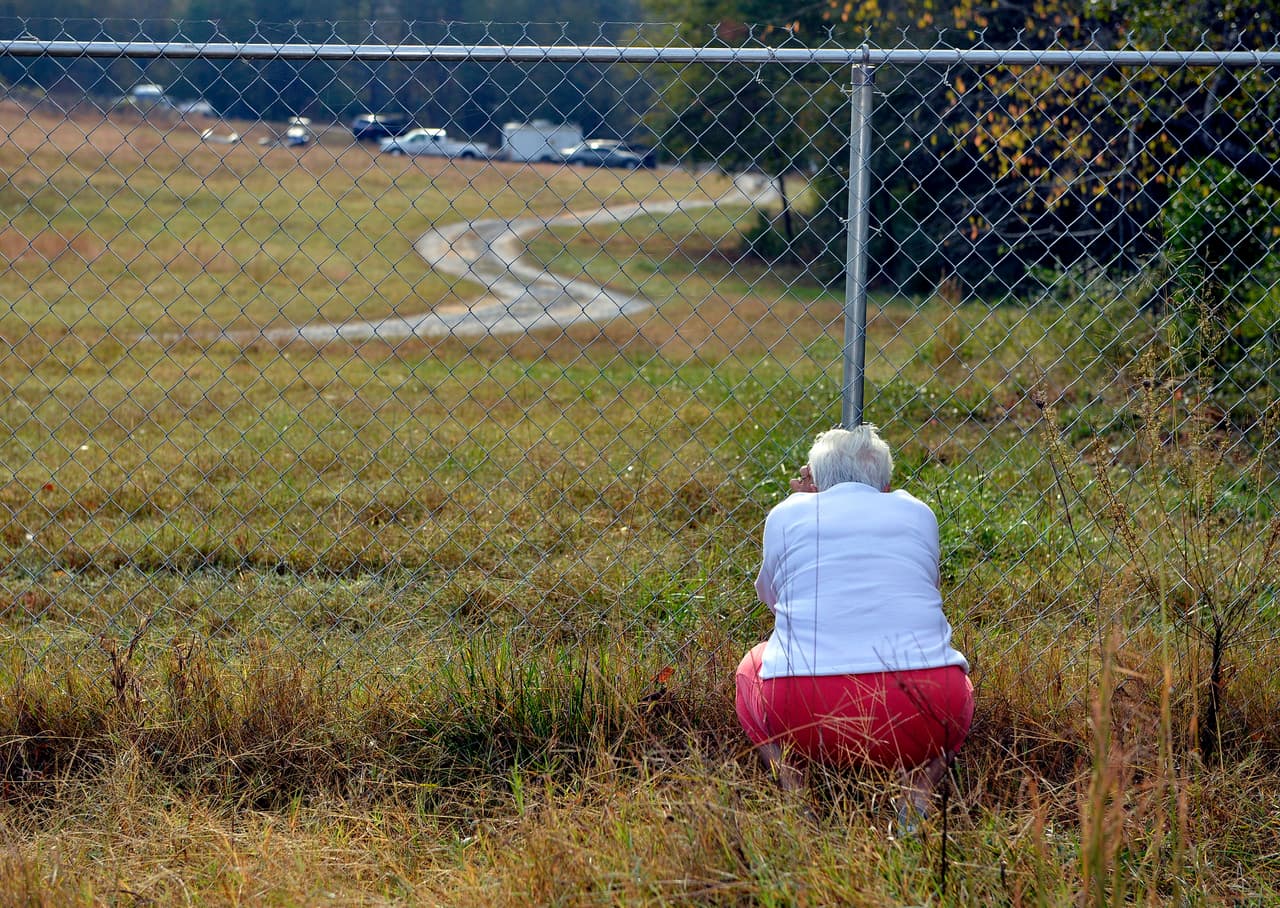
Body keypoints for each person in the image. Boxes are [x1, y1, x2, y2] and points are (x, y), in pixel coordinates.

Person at [734, 425, 974, 824]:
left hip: (805, 709)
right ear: (886, 485)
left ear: (813, 482)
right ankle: (916, 797)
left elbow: (773, 599)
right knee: (959, 688)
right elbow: (928, 587)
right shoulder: (919, 512)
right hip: (919, 706)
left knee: (750, 670)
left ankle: (797, 798)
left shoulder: (786, 513)